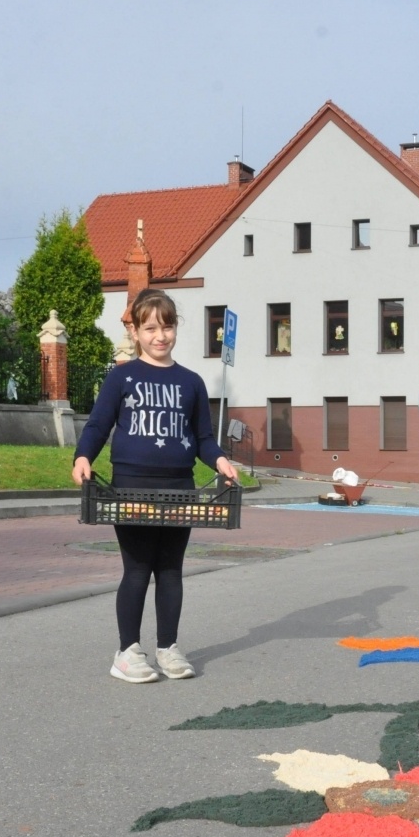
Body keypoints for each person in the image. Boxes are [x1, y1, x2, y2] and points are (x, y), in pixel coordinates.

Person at [73, 289, 239, 683]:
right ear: (135, 332)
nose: (160, 336)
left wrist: (219, 459)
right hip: (130, 488)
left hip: (180, 488)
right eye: (150, 328)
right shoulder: (121, 377)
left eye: (167, 326)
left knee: (170, 570)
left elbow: (202, 438)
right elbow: (98, 425)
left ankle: (168, 649)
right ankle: (127, 652)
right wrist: (82, 456)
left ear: (175, 328)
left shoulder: (191, 382)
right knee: (137, 569)